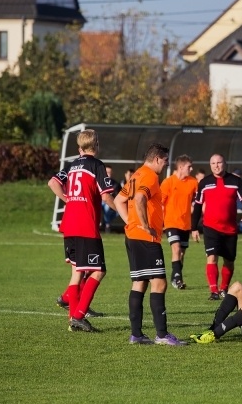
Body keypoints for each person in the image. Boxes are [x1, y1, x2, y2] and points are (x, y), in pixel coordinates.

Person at [115, 143, 186, 346]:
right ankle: (162, 335)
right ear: (156, 159)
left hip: (133, 236)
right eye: (165, 161)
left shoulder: (136, 175)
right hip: (146, 239)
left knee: (140, 282)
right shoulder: (150, 176)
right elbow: (139, 199)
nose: (166, 165)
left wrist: (131, 223)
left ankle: (136, 334)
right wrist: (145, 226)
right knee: (160, 283)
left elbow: (119, 200)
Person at [48, 129, 115, 332]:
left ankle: (73, 318)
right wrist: (126, 212)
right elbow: (106, 196)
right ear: (96, 145)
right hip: (85, 225)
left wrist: (68, 199)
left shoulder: (72, 165)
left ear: (80, 147)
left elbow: (52, 182)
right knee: (98, 271)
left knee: (77, 272)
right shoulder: (96, 165)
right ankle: (78, 316)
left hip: (69, 224)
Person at [192, 154, 242, 300]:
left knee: (229, 261)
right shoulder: (204, 183)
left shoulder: (236, 181)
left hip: (230, 229)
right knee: (212, 257)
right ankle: (214, 291)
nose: (216, 165)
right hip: (210, 227)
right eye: (213, 163)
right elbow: (198, 206)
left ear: (225, 163)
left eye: (219, 162)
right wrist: (193, 228)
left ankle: (223, 288)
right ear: (210, 165)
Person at [161, 154, 197, 290]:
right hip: (171, 222)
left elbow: (199, 199)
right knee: (176, 249)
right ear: (180, 167)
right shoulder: (168, 182)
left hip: (185, 224)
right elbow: (160, 203)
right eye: (189, 166)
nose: (191, 169)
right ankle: (178, 279)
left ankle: (175, 276)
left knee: (181, 253)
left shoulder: (193, 182)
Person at [101, 165, 122, 232]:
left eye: (110, 172)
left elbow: (118, 196)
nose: (108, 174)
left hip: (109, 202)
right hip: (99, 202)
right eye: (107, 172)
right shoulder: (98, 182)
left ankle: (105, 222)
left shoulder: (115, 184)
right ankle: (106, 224)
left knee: (118, 210)